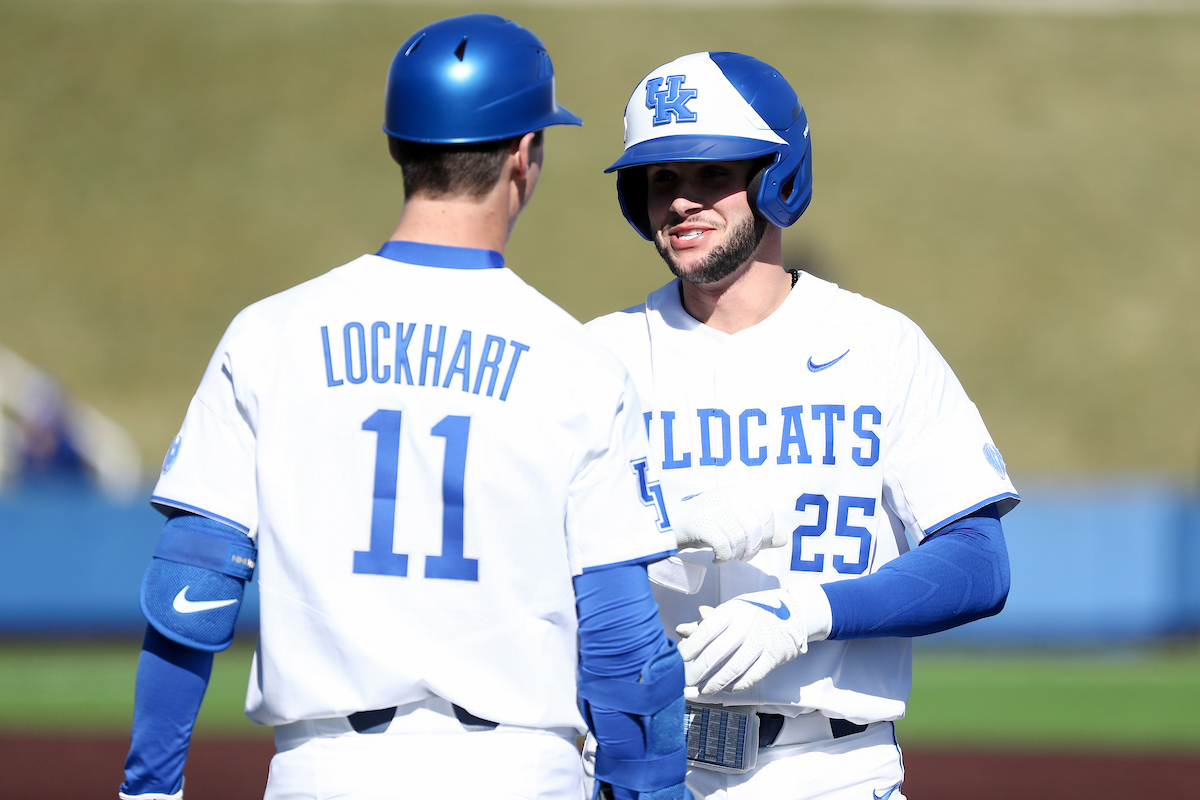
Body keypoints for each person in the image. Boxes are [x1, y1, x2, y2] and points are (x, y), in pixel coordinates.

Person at [118, 15, 691, 800]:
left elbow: (192, 593)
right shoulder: (578, 363)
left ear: (398, 145)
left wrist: (147, 788)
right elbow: (624, 642)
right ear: (524, 154)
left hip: (324, 772)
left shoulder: (270, 332)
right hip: (518, 772)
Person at [584, 52, 1019, 800]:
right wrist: (655, 532)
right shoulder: (596, 358)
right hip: (649, 767)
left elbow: (978, 563)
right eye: (660, 180)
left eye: (709, 173)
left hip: (836, 771)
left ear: (776, 177)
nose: (681, 202)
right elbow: (520, 559)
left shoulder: (880, 345)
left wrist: (807, 612)